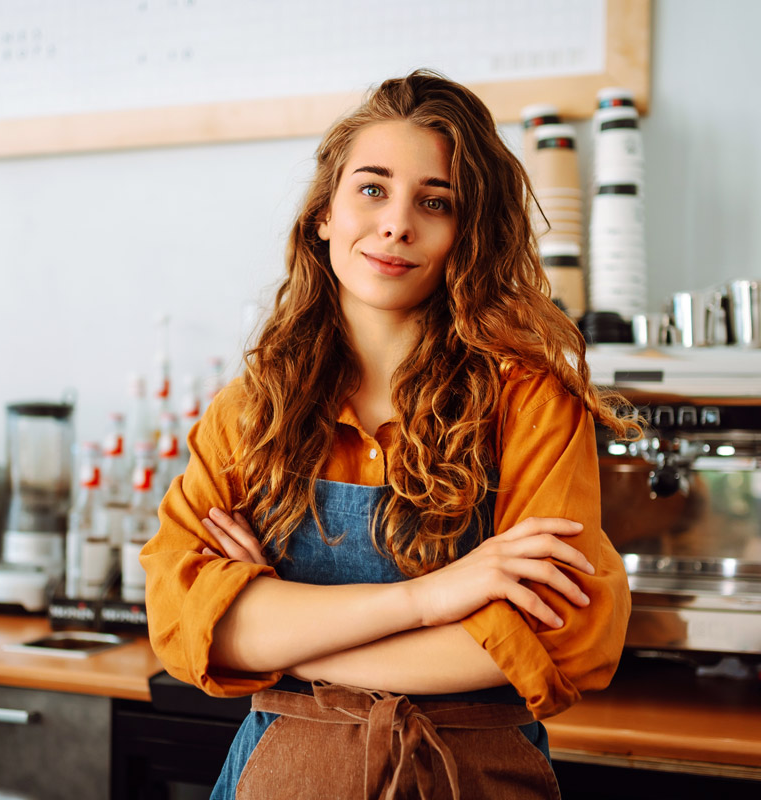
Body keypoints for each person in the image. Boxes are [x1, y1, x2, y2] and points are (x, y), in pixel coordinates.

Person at [141, 70, 639, 799]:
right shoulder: (252, 411)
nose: (397, 223)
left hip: (467, 776)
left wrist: (292, 639)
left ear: (466, 233)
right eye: (371, 189)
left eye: (435, 202)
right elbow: (186, 624)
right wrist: (435, 598)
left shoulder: (529, 400)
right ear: (323, 214)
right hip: (281, 776)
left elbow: (556, 635)